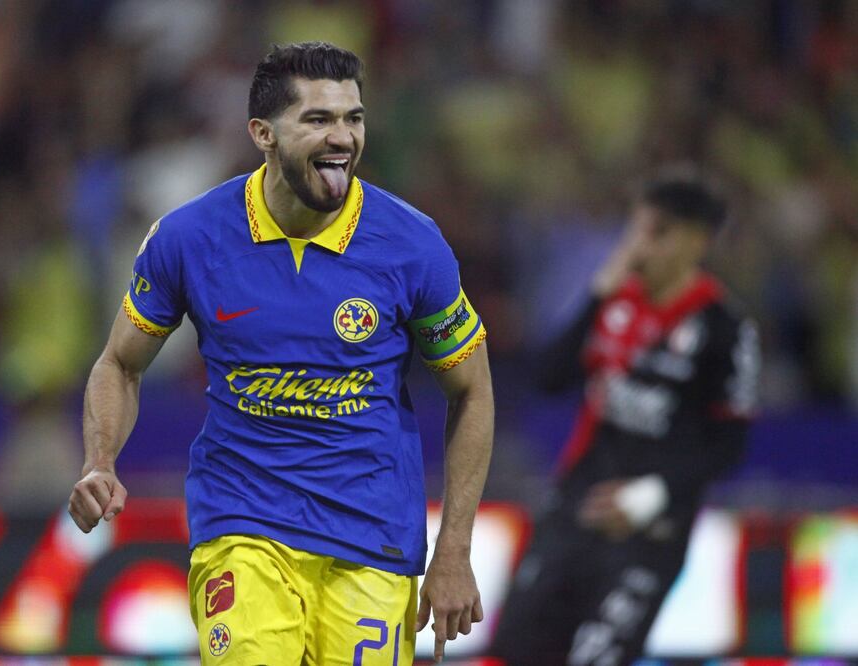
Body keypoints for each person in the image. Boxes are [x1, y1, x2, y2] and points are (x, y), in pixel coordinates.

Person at [67, 42, 494, 665]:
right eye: (318, 120)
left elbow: (472, 391)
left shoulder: (411, 245)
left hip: (372, 540)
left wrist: (453, 550)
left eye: (353, 118)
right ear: (263, 133)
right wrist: (99, 460)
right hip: (242, 526)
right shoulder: (190, 238)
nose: (342, 137)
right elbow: (120, 363)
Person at [492, 167, 760, 665]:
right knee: (518, 651)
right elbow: (550, 379)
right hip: (573, 513)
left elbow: (730, 444)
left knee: (599, 657)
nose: (638, 246)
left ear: (695, 241)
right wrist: (595, 295)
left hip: (649, 534)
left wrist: (650, 495)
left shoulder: (724, 329)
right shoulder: (614, 302)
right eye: (635, 229)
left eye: (656, 234)